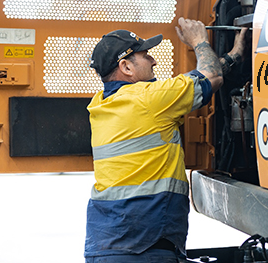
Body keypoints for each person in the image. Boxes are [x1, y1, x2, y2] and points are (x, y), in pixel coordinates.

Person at [85, 17, 247, 262]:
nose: (154, 61)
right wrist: (199, 41)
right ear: (126, 67)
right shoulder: (148, 99)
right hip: (145, 247)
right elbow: (211, 76)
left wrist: (234, 55)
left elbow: (199, 79)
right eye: (145, 55)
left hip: (105, 246)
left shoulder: (100, 103)